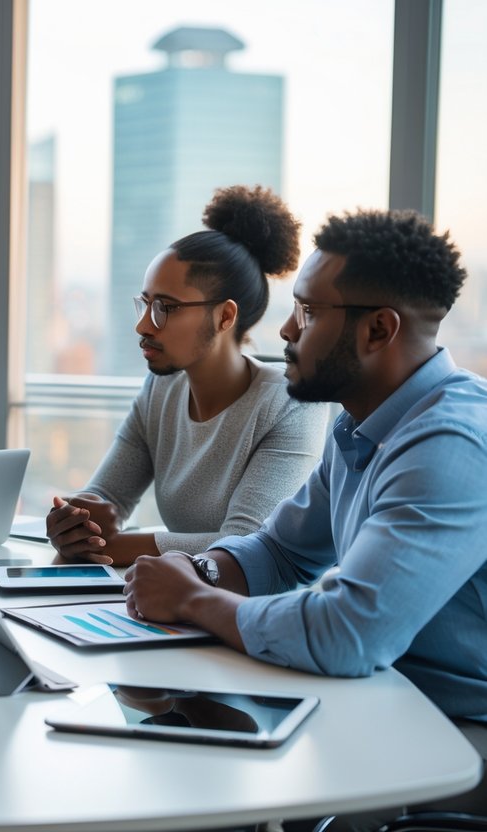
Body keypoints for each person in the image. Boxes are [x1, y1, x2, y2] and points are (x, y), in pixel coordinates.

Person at [122, 208, 487, 826]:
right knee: (177, 757)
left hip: (460, 728)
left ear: (377, 331)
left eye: (310, 312)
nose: (287, 328)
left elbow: (347, 632)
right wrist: (202, 568)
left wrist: (191, 600)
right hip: (379, 699)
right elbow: (282, 552)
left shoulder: (449, 445)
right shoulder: (360, 424)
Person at [47, 186, 328, 566]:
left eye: (165, 308)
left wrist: (114, 546)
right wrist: (73, 524)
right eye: (145, 304)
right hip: (177, 602)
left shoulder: (288, 402)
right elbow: (105, 499)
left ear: (225, 317)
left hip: (257, 613)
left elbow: (244, 543)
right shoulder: (160, 389)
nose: (144, 326)